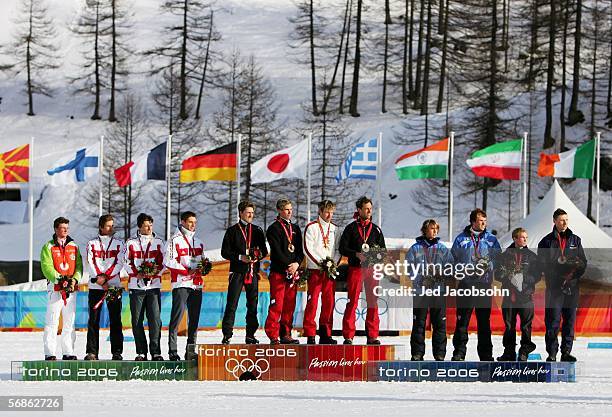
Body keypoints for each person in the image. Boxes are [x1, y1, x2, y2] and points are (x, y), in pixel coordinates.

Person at [450, 208, 501, 361]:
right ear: (473, 222)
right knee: (462, 320)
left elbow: (499, 259)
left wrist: (487, 265)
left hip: (484, 285)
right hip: (466, 284)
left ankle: (486, 355)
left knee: (484, 322)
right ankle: (459, 353)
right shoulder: (461, 239)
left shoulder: (492, 239)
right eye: (480, 221)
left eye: (485, 221)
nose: (484, 223)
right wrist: (461, 269)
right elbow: (452, 260)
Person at [537, 208, 587, 362]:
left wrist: (573, 273)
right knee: (553, 321)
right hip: (554, 288)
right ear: (554, 221)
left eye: (566, 219)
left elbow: (583, 262)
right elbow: (541, 265)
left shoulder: (575, 240)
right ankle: (552, 353)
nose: (564, 222)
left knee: (570, 321)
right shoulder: (545, 242)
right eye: (561, 220)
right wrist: (558, 270)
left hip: (571, 287)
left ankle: (566, 352)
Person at [338, 196, 386, 345]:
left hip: (371, 269)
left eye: (370, 209)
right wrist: (356, 254)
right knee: (352, 301)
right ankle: (348, 336)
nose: (369, 211)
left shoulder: (376, 229)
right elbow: (342, 248)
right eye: (366, 209)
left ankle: (372, 335)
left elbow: (383, 252)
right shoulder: (351, 228)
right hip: (356, 269)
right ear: (359, 210)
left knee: (373, 302)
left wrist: (373, 257)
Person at [220, 200, 268, 344]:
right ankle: (227, 334)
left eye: (252, 213)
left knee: (253, 304)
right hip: (237, 271)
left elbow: (264, 251)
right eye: (248, 212)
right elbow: (224, 252)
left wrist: (257, 256)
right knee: (232, 303)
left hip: (252, 271)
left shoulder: (258, 231)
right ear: (241, 213)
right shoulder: (232, 230)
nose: (250, 215)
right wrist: (240, 257)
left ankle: (250, 335)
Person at [406, 219, 453, 361]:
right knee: (419, 323)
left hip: (438, 291)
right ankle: (417, 353)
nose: (434, 231)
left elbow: (450, 267)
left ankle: (439, 354)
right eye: (431, 228)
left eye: (436, 229)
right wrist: (422, 277)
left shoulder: (443, 248)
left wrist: (440, 274)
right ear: (425, 230)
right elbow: (409, 268)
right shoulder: (415, 248)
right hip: (421, 291)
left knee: (439, 323)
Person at [164, 211, 205, 361]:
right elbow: (168, 261)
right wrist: (186, 270)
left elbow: (201, 260)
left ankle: (190, 350)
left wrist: (203, 267)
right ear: (182, 222)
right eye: (190, 222)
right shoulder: (174, 240)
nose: (193, 225)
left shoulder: (199, 242)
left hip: (196, 285)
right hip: (181, 283)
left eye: (195, 222)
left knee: (194, 319)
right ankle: (172, 351)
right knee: (176, 318)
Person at [40, 217, 83, 361]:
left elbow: (79, 266)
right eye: (62, 228)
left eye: (67, 228)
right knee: (52, 321)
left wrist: (74, 280)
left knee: (69, 321)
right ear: (56, 229)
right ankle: (50, 352)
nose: (65, 230)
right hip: (55, 289)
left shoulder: (74, 246)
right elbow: (46, 267)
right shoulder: (48, 247)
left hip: (71, 289)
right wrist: (60, 279)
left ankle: (68, 351)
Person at [494, 227, 539, 362]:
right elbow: (497, 274)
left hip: (525, 296)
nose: (525, 240)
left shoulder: (532, 256)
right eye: (522, 237)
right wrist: (508, 276)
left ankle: (524, 352)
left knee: (526, 326)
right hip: (509, 297)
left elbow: (537, 276)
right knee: (509, 326)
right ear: (514, 238)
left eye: (526, 237)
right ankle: (509, 352)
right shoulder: (504, 255)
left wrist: (523, 278)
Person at [124, 213, 165, 361]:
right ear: (140, 226)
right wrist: (137, 274)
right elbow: (126, 262)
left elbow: (164, 262)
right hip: (136, 287)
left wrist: (154, 273)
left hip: (154, 286)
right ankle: (141, 352)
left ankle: (156, 352)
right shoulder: (131, 243)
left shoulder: (159, 242)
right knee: (137, 320)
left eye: (151, 225)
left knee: (155, 320)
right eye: (146, 225)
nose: (149, 228)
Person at [85, 214, 126, 360]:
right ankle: (92, 352)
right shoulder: (92, 244)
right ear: (101, 227)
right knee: (93, 320)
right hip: (96, 286)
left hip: (113, 286)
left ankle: (117, 352)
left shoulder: (119, 244)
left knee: (115, 319)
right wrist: (101, 280)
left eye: (112, 225)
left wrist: (106, 277)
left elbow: (119, 263)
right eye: (108, 225)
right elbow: (91, 263)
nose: (111, 228)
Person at [265, 198, 304, 345]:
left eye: (291, 209)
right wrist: (289, 264)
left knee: (289, 305)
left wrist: (297, 263)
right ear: (280, 210)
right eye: (287, 209)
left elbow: (300, 250)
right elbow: (276, 251)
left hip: (293, 272)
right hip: (279, 273)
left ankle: (286, 334)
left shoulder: (295, 228)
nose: (290, 212)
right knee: (277, 305)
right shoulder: (273, 228)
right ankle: (273, 335)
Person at [303, 200, 340, 345]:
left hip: (330, 271)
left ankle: (326, 333)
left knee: (328, 303)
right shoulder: (311, 227)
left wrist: (332, 264)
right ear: (320, 211)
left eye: (332, 212)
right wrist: (321, 263)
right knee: (312, 302)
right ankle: (310, 333)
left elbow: (338, 249)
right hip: (315, 270)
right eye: (326, 212)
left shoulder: (336, 229)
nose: (329, 215)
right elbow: (308, 249)